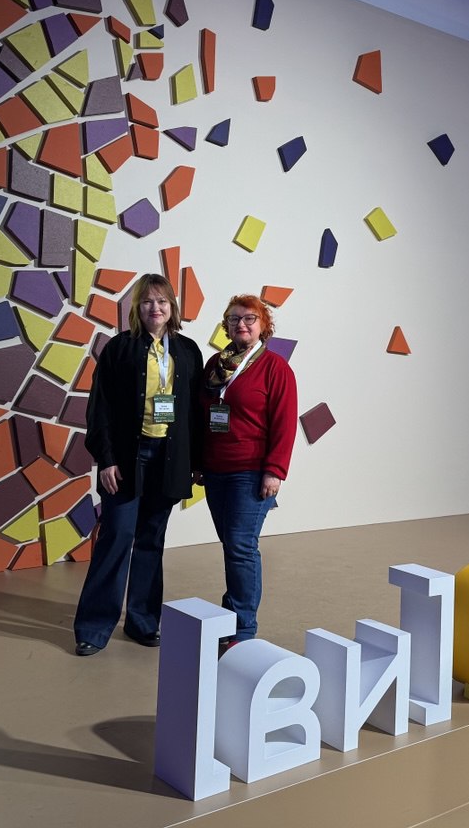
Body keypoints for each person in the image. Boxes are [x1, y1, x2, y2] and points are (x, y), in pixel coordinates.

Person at [73, 273, 203, 656]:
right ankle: (93, 627)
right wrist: (106, 460)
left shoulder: (188, 351)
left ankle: (143, 622)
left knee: (151, 541)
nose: (155, 308)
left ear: (172, 307)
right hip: (128, 459)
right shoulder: (118, 349)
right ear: (137, 308)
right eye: (147, 301)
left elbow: (195, 414)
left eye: (162, 301)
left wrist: (196, 461)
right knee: (116, 537)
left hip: (168, 459)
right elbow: (100, 409)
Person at [201, 294, 297, 647]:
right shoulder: (215, 364)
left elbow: (285, 423)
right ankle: (233, 613)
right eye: (234, 319)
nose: (241, 324)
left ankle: (242, 629)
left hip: (252, 472)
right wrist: (198, 463)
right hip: (216, 469)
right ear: (225, 326)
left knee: (241, 545)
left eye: (249, 318)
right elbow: (201, 416)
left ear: (263, 326)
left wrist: (275, 471)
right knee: (232, 544)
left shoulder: (275, 368)